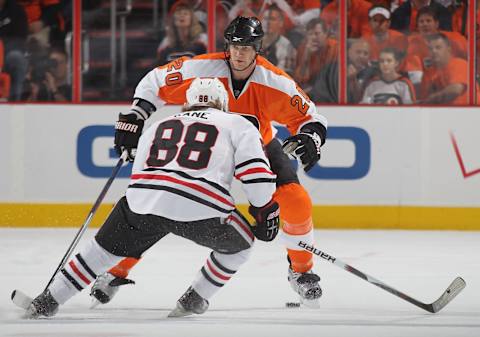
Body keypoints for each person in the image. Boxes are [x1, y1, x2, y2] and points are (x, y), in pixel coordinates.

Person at [90, 16, 327, 308]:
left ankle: (301, 271)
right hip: (208, 150)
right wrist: (135, 116)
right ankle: (117, 269)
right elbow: (155, 81)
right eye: (234, 46)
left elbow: (310, 118)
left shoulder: (274, 82)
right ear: (227, 47)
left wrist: (310, 138)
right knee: (161, 202)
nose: (239, 54)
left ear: (258, 49)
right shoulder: (202, 68)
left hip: (256, 144)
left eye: (247, 47)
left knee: (296, 199)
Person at [24, 77, 281, 318]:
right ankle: (195, 297)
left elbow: (140, 175)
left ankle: (48, 300)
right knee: (241, 246)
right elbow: (256, 174)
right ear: (223, 104)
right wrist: (264, 209)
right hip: (201, 206)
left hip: (144, 200)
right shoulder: (238, 124)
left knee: (101, 252)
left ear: (186, 102)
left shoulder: (159, 124)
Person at [419, 32, 475, 104]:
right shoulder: (427, 74)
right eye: (430, 49)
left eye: (438, 47)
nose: (434, 51)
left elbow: (455, 90)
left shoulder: (459, 63)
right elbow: (425, 100)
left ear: (448, 49)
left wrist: (432, 98)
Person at [293, 17, 337, 94]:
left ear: (326, 34)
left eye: (317, 34)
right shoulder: (303, 49)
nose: (313, 37)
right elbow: (299, 80)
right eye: (310, 34)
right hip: (311, 90)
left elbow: (335, 79)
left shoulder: (336, 48)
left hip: (330, 90)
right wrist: (306, 56)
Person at [156, 0, 207, 66]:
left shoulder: (203, 39)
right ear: (173, 19)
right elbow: (159, 68)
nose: (182, 15)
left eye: (185, 13)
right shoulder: (166, 43)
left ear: (192, 18)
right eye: (178, 13)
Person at [261, 4, 297, 76]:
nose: (268, 22)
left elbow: (284, 77)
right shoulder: (251, 41)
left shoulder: (287, 46)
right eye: (265, 18)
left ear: (281, 23)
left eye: (272, 19)